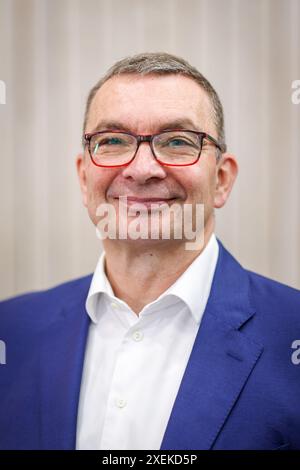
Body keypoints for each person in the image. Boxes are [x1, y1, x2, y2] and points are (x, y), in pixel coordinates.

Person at [0, 52, 300, 451]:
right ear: (83, 175)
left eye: (177, 141)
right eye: (112, 141)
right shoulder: (11, 331)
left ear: (222, 180)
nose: (142, 169)